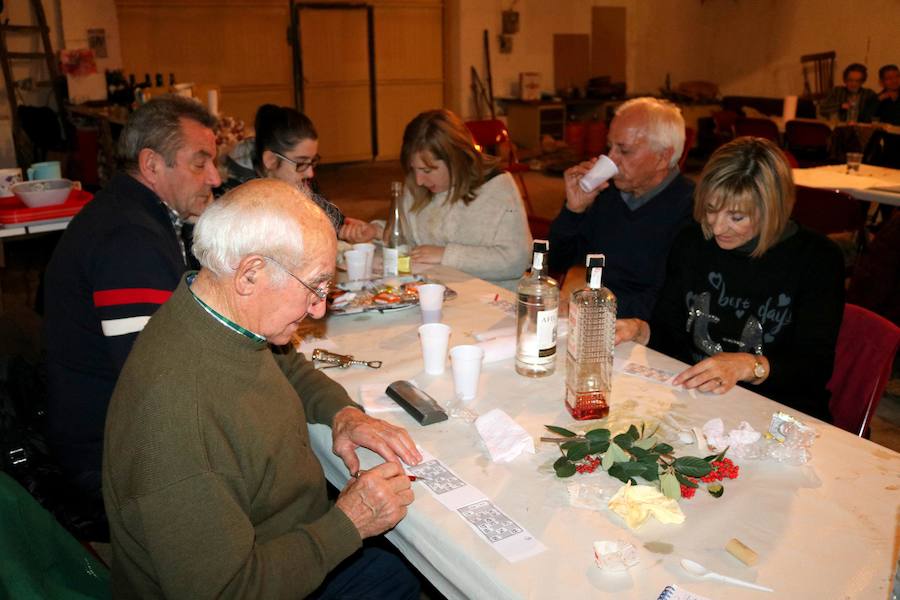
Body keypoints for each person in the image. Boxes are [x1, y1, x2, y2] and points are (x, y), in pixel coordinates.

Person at [103, 179, 422, 598]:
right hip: (255, 578)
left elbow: (285, 364)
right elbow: (227, 591)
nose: (319, 308)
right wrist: (349, 522)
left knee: (396, 564)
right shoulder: (181, 421)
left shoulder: (212, 313)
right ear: (251, 273)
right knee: (398, 572)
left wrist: (342, 414)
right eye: (315, 286)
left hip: (281, 534)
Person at [43, 96, 221, 524]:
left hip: (105, 428)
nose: (214, 177)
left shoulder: (135, 215)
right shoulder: (129, 239)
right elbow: (156, 378)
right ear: (152, 165)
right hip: (107, 455)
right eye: (200, 163)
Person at [616, 137, 845, 422]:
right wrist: (640, 330)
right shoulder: (692, 242)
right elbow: (672, 334)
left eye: (737, 217)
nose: (717, 226)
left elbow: (813, 367)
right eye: (711, 209)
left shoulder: (816, 259)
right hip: (698, 404)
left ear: (772, 210)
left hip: (778, 413)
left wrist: (748, 366)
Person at [548, 97, 695, 319]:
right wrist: (573, 210)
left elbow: (669, 302)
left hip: (642, 331)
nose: (611, 159)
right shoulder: (608, 195)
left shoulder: (691, 209)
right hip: (594, 314)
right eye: (610, 147)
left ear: (662, 157)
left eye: (624, 151)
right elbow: (556, 261)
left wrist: (590, 307)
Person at [373, 108, 531, 289]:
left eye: (427, 170)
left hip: (490, 295)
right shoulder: (418, 184)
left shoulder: (497, 188)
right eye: (413, 169)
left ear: (456, 159)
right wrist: (377, 231)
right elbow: (409, 239)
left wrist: (446, 255)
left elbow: (516, 260)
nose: (418, 180)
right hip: (437, 289)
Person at [220, 103, 378, 243]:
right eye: (301, 162)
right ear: (270, 160)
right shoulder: (235, 199)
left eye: (312, 161)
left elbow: (321, 210)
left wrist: (346, 228)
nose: (310, 173)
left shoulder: (296, 177)